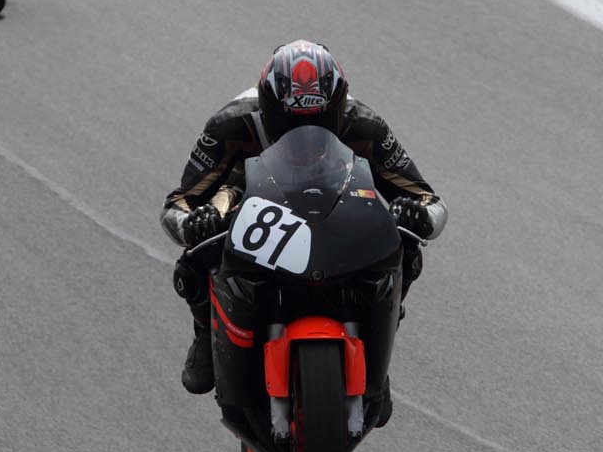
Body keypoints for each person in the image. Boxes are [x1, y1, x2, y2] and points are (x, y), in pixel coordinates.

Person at [161, 41, 448, 422]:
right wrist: (194, 223)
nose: (306, 131)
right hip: (253, 201)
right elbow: (178, 202)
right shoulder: (232, 124)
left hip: (337, 202)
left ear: (337, 107)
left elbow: (427, 198)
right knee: (194, 259)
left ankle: (378, 335)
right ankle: (204, 331)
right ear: (268, 107)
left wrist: (416, 214)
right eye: (292, 122)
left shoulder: (363, 123)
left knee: (406, 247)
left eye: (319, 120)